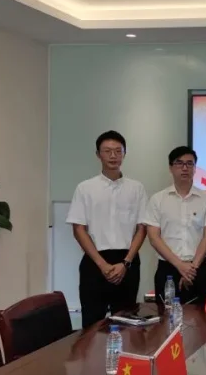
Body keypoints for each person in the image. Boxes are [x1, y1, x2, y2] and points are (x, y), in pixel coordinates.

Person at [66, 130, 148, 328]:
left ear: (124, 154)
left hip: (127, 262)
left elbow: (142, 228)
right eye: (107, 151)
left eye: (118, 151)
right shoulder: (85, 188)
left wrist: (126, 263)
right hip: (95, 262)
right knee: (92, 325)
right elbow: (79, 229)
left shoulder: (136, 188)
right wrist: (102, 265)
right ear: (98, 154)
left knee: (126, 324)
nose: (113, 156)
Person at [142, 146, 206, 306]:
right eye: (179, 163)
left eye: (190, 163)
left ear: (195, 168)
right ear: (171, 167)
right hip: (168, 269)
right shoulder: (158, 199)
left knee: (200, 318)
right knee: (166, 317)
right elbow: (154, 238)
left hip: (198, 268)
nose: (185, 168)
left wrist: (191, 268)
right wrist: (180, 266)